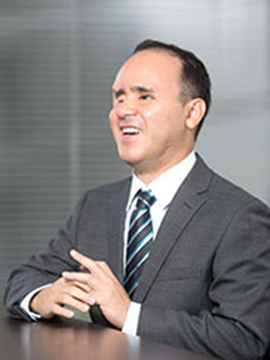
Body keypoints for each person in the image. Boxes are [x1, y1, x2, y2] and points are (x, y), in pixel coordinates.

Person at [4, 39, 270, 360]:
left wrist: (129, 314)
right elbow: (23, 279)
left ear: (192, 112)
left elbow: (244, 338)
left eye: (144, 96)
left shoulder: (240, 216)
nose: (124, 110)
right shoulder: (96, 205)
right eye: (119, 97)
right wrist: (43, 296)